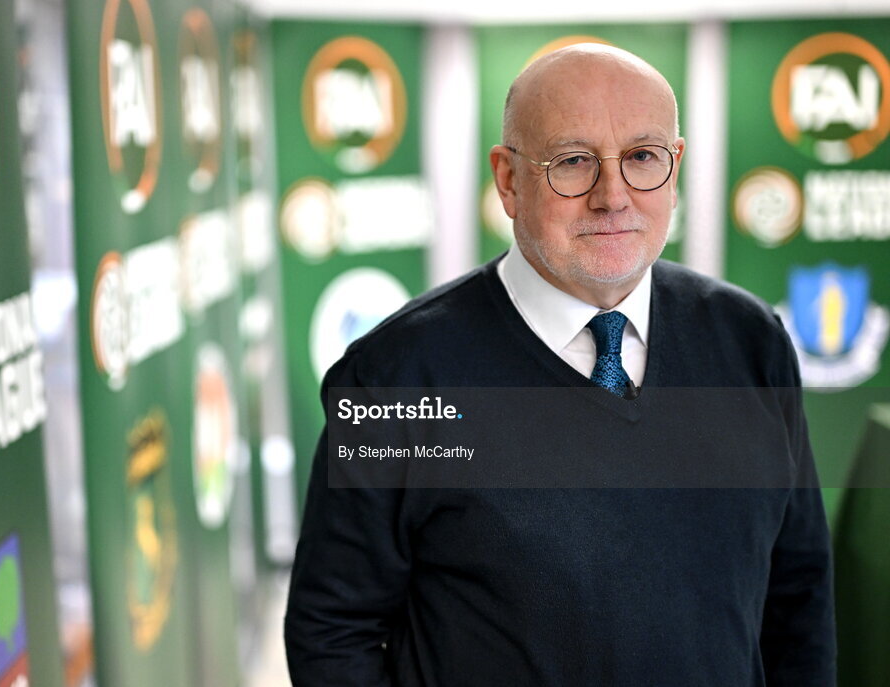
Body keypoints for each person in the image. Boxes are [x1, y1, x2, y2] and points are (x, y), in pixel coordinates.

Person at [285, 44, 835, 685]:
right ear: (509, 180)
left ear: (674, 166)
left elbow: (798, 591)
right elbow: (333, 632)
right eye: (573, 162)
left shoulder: (751, 343)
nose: (613, 196)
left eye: (642, 158)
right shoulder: (394, 380)